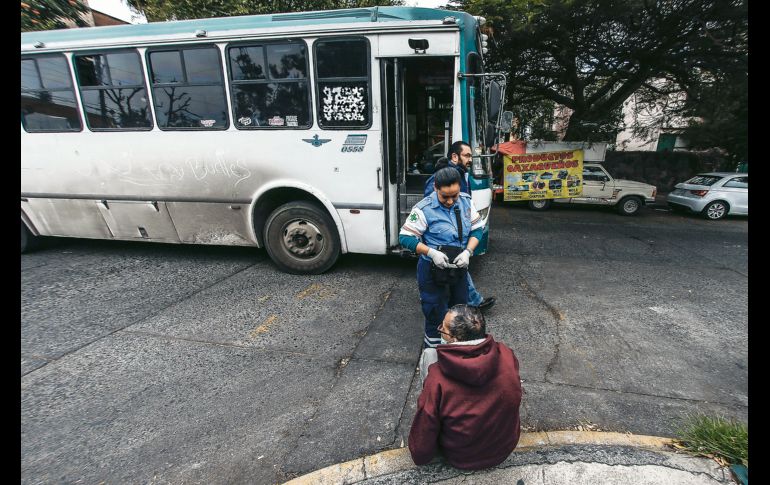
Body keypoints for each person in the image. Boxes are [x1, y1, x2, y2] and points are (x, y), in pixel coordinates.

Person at [409, 304, 522, 470]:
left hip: (462, 458)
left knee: (429, 354)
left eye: (443, 329)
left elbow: (423, 435)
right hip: (503, 449)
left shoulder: (437, 378)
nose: (440, 330)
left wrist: (420, 455)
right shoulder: (506, 354)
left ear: (454, 339)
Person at [399, 167, 483, 348]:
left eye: (455, 195)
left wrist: (468, 251)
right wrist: (431, 252)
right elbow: (405, 237)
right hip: (432, 270)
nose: (451, 201)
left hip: (458, 268)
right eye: (445, 196)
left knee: (460, 313)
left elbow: (477, 229)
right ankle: (433, 352)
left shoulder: (466, 202)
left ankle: (456, 351)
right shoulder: (423, 209)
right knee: (435, 312)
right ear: (436, 187)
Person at [423, 141, 496, 313]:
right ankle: (469, 301)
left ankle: (465, 299)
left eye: (471, 155)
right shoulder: (447, 177)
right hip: (446, 235)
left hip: (456, 233)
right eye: (467, 155)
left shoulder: (460, 173)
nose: (470, 159)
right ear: (455, 157)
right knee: (453, 265)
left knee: (458, 264)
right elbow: (432, 205)